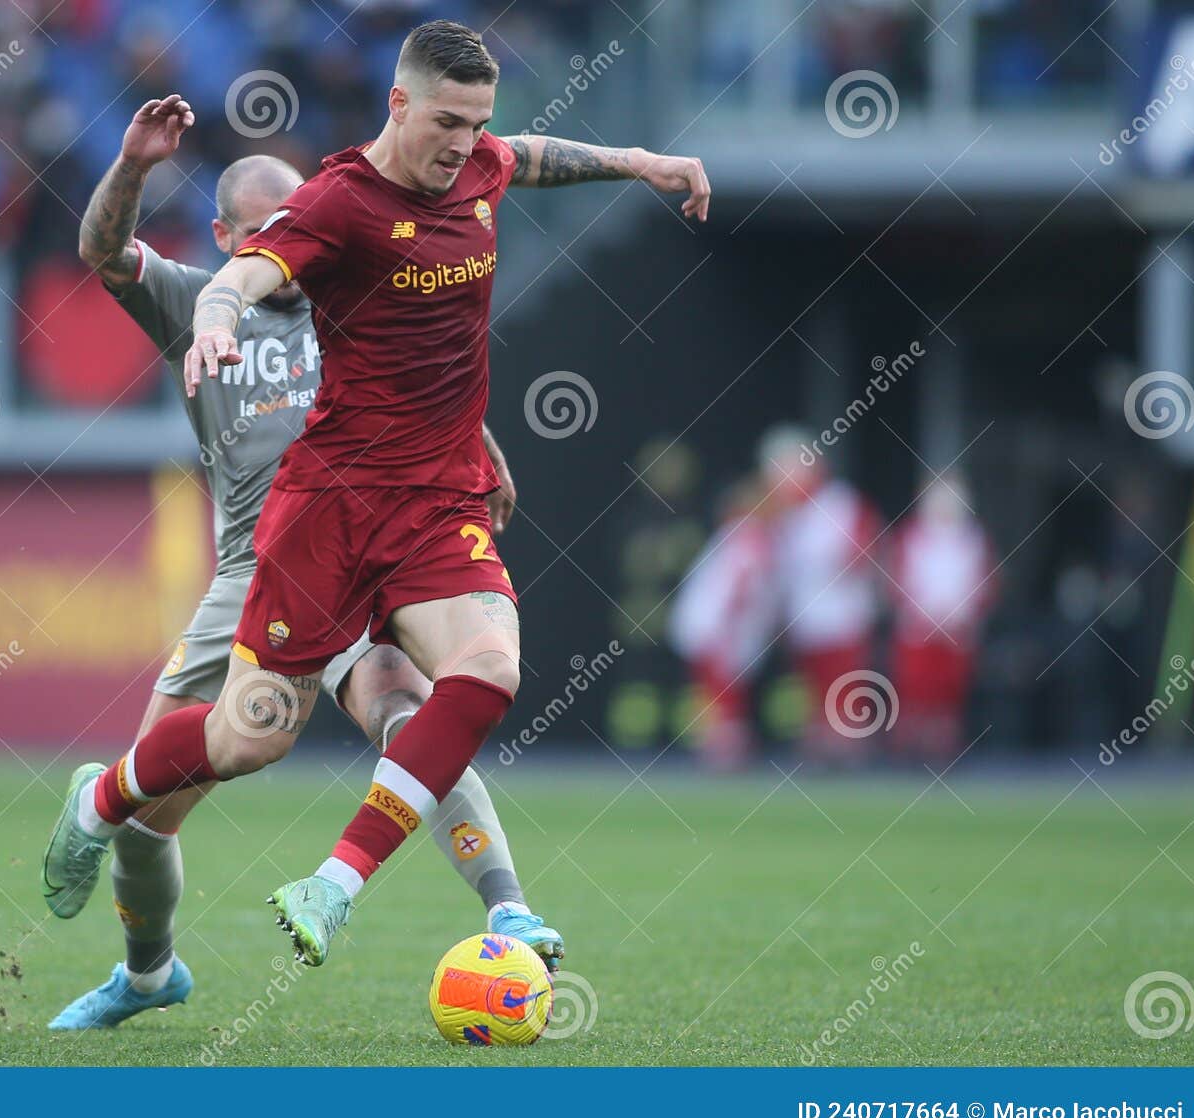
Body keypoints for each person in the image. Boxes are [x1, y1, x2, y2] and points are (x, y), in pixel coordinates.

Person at [43, 20, 711, 967]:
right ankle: (101, 806)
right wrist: (216, 319)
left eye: (475, 123)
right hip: (317, 521)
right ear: (399, 104)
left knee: (479, 674)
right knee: (250, 736)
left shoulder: (475, 163)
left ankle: (363, 885)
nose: (462, 142)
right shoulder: (337, 207)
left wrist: (643, 160)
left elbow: (533, 158)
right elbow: (234, 274)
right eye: (446, 121)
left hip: (436, 504)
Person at [46, 96, 561, 1027]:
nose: (289, 249)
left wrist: (479, 444)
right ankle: (150, 973)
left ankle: (507, 905)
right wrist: (130, 165)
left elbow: (421, 382)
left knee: (409, 709)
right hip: (254, 566)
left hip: (372, 545)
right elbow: (99, 253)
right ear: (226, 235)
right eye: (262, 234)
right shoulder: (202, 295)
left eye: (296, 228)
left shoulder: (353, 287)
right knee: (151, 807)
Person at [760, 427, 882, 759]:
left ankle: (848, 758)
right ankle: (820, 754)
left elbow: (864, 554)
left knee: (844, 695)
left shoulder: (840, 503)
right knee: (811, 696)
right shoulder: (783, 518)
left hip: (841, 619)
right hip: (805, 622)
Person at [887, 471, 996, 759]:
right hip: (917, 629)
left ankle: (943, 751)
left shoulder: (972, 539)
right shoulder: (911, 536)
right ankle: (912, 752)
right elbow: (897, 582)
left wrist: (961, 618)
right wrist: (924, 617)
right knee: (916, 693)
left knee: (949, 695)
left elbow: (984, 585)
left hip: (958, 630)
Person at [669, 479, 777, 766]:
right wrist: (727, 635)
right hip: (718, 631)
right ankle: (723, 754)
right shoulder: (748, 536)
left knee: (720, 698)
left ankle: (721, 750)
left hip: (710, 628)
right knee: (724, 699)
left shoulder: (737, 535)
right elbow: (736, 590)